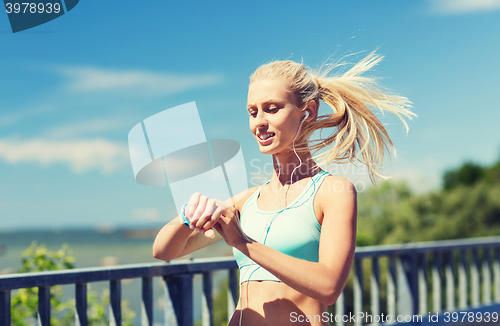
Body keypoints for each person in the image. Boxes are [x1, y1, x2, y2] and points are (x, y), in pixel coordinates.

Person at [153, 51, 415, 326]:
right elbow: (164, 251)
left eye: (272, 108)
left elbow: (328, 287)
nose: (259, 122)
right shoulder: (247, 199)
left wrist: (242, 242)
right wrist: (187, 216)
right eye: (253, 112)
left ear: (309, 111)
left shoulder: (333, 191)